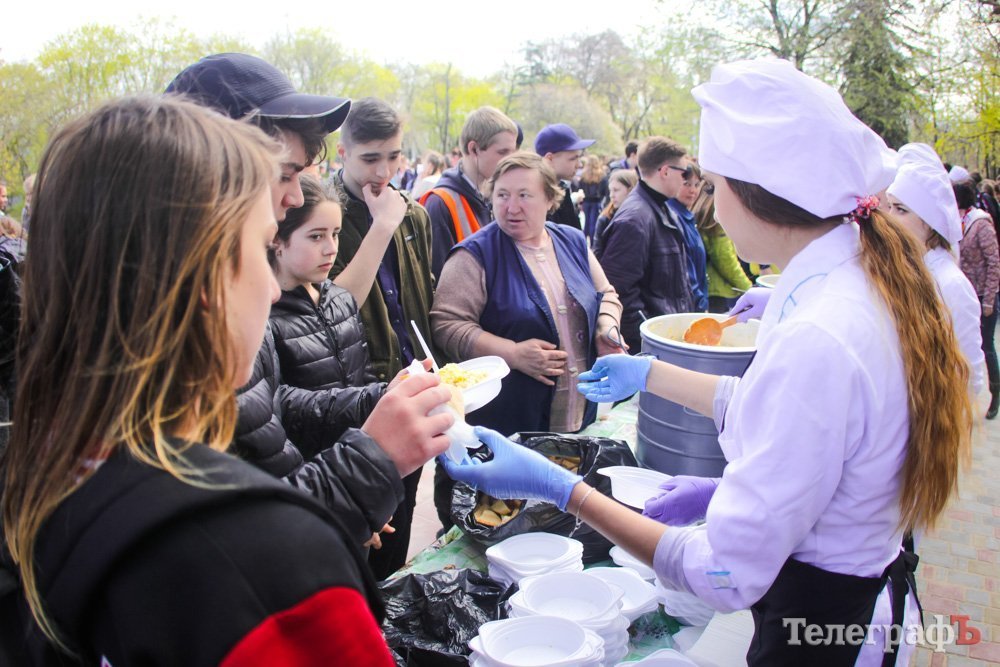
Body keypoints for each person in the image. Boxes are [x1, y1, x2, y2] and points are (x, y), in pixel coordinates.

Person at [441, 59, 973, 666]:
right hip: (845, 601)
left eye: (716, 187)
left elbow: (723, 574)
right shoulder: (856, 283)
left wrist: (562, 488)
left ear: (759, 196)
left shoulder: (822, 334)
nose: (711, 208)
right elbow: (804, 434)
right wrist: (654, 379)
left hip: (825, 629)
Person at [1, 96, 453, 665]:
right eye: (263, 250)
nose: (270, 288)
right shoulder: (266, 560)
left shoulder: (45, 476)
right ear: (194, 277)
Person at [167, 53, 420, 549]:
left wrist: (373, 409)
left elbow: (264, 417)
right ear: (208, 168)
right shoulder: (174, 328)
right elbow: (225, 539)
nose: (293, 199)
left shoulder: (227, 297)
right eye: (284, 174)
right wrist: (360, 470)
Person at [432, 151, 623, 436]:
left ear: (550, 199)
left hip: (579, 415)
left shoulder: (572, 241)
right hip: (506, 424)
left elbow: (605, 293)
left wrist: (606, 329)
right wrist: (513, 353)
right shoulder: (475, 255)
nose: (511, 207)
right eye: (502, 195)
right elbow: (446, 324)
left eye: (524, 195)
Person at [331, 96, 437, 578]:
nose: (383, 170)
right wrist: (381, 226)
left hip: (412, 382)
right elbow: (329, 310)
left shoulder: (413, 215)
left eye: (393, 156)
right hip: (355, 398)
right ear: (342, 153)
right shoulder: (323, 216)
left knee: (403, 511)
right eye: (370, 158)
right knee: (358, 535)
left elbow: (421, 300)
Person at [885, 143, 985, 396]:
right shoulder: (909, 268)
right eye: (889, 206)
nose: (888, 217)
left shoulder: (951, 284)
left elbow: (969, 376)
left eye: (900, 209)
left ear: (930, 222)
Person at [596, 136, 694, 352]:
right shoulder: (636, 218)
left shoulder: (659, 207)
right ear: (665, 171)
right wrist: (649, 336)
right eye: (684, 173)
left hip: (667, 337)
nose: (686, 180)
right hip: (654, 344)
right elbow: (617, 289)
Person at [421, 107, 518, 278]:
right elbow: (440, 280)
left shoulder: (495, 195)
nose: (511, 160)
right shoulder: (440, 203)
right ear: (473, 149)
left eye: (513, 152)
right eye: (503, 152)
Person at [956, 178, 1000, 418]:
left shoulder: (981, 224)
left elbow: (994, 262)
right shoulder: (960, 221)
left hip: (984, 296)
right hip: (968, 294)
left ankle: (995, 394)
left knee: (987, 346)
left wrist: (989, 300)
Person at [694, 188, 753, 313]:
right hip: (721, 290)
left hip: (708, 288)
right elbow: (724, 258)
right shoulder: (716, 214)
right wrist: (748, 287)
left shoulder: (699, 209)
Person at [535, 123, 595, 229]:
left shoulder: (562, 188)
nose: (579, 165)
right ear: (549, 159)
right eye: (573, 158)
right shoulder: (536, 196)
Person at [669, 160, 709, 312]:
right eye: (687, 184)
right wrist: (701, 304)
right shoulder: (675, 216)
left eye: (697, 185)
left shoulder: (686, 215)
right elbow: (686, 270)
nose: (693, 190)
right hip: (690, 306)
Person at [592, 168, 638, 257]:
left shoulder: (641, 217)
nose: (611, 195)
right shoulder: (605, 218)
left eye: (616, 190)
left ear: (630, 190)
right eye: (610, 191)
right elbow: (597, 251)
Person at [580, 155, 609, 242]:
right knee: (593, 223)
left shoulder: (583, 175)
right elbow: (605, 189)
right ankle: (593, 243)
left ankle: (583, 242)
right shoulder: (601, 175)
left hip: (586, 201)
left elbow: (580, 187)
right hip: (597, 202)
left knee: (586, 223)